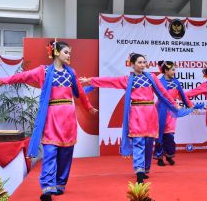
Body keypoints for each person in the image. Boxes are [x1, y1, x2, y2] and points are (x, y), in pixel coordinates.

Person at [0, 40, 96, 201]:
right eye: (66, 52)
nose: (69, 55)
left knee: (65, 153)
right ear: (56, 52)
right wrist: (2, 80)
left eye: (70, 53)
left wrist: (89, 108)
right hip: (52, 117)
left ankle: (60, 184)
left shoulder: (71, 73)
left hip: (68, 117)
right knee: (50, 152)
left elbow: (80, 93)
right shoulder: (44, 71)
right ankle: (47, 187)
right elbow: (22, 76)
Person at [79, 53, 192, 183]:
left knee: (149, 143)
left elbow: (163, 92)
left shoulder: (152, 78)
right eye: (139, 62)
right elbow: (110, 81)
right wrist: (91, 80)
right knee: (138, 142)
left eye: (144, 62)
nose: (143, 64)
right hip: (137, 114)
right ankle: (139, 170)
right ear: (132, 65)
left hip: (150, 113)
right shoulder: (128, 79)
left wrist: (173, 104)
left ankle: (145, 169)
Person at [153, 60, 195, 166]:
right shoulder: (159, 82)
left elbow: (183, 96)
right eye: (172, 70)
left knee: (170, 135)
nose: (174, 71)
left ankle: (169, 155)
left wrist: (190, 105)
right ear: (166, 71)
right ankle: (159, 157)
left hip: (172, 111)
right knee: (160, 134)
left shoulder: (176, 82)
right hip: (161, 109)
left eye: (174, 69)